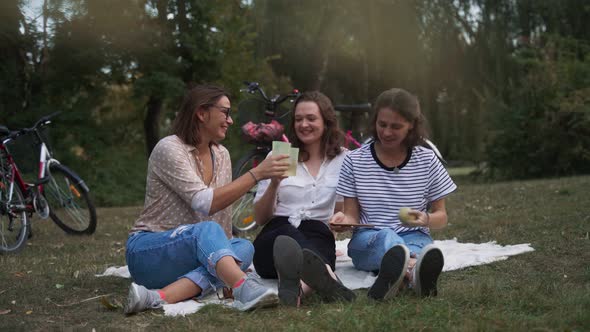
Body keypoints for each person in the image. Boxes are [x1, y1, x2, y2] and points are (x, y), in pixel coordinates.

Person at [124, 85, 291, 314]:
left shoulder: (222, 155)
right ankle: (243, 287)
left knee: (242, 247)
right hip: (148, 253)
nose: (230, 121)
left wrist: (225, 255)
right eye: (225, 112)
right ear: (202, 113)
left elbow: (222, 222)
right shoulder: (170, 148)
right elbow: (205, 203)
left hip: (193, 255)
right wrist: (257, 173)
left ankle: (157, 297)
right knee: (208, 232)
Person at [330, 88, 456, 301]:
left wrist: (424, 219)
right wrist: (343, 221)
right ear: (375, 121)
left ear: (412, 126)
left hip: (415, 237)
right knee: (391, 240)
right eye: (382, 124)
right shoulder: (354, 161)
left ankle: (400, 276)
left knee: (412, 248)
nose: (387, 132)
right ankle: (414, 273)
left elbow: (441, 216)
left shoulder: (427, 160)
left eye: (396, 126)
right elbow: (351, 215)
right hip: (368, 240)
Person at [252, 91, 355, 306]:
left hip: (318, 232)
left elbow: (345, 210)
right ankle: (329, 278)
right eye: (298, 119)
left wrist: (341, 218)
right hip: (275, 234)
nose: (303, 124)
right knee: (286, 236)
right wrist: (274, 184)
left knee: (314, 249)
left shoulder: (343, 159)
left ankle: (297, 290)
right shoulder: (281, 155)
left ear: (326, 122)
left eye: (311, 118)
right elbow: (261, 218)